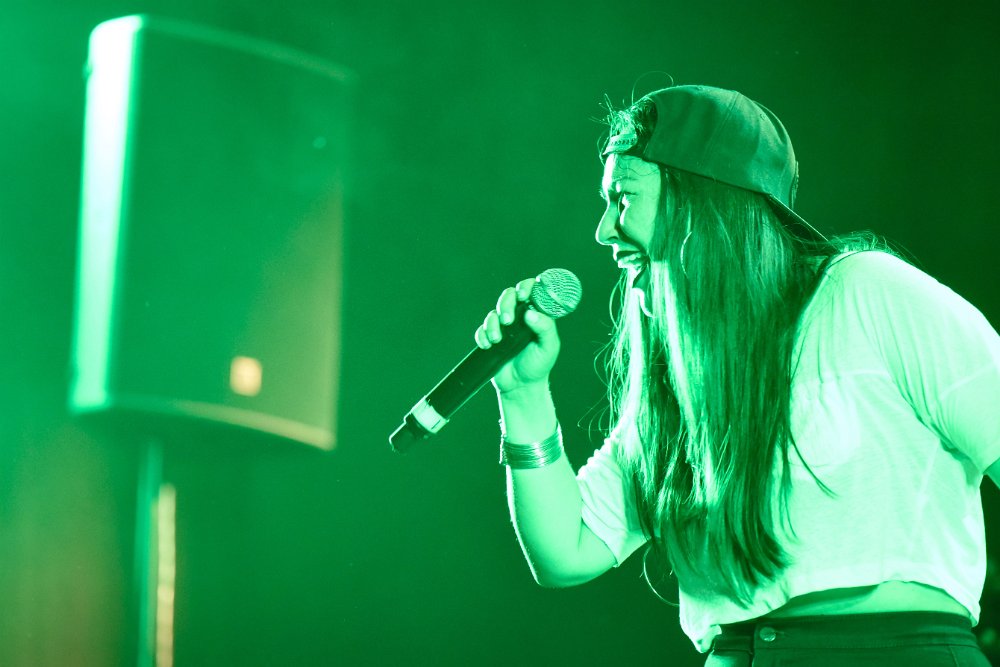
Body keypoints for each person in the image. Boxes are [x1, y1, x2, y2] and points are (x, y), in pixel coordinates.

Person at [474, 84, 1000, 665]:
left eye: (622, 198)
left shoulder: (869, 293)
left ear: (701, 199)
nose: (603, 230)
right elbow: (564, 552)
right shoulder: (677, 378)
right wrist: (523, 395)